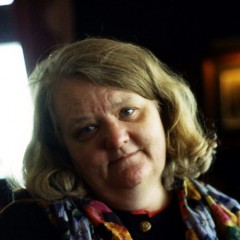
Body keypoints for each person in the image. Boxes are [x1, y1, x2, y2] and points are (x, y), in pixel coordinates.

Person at [0, 37, 239, 240]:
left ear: (165, 112)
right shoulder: (22, 227)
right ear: (61, 149)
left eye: (127, 112)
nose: (116, 139)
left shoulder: (230, 215)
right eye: (88, 129)